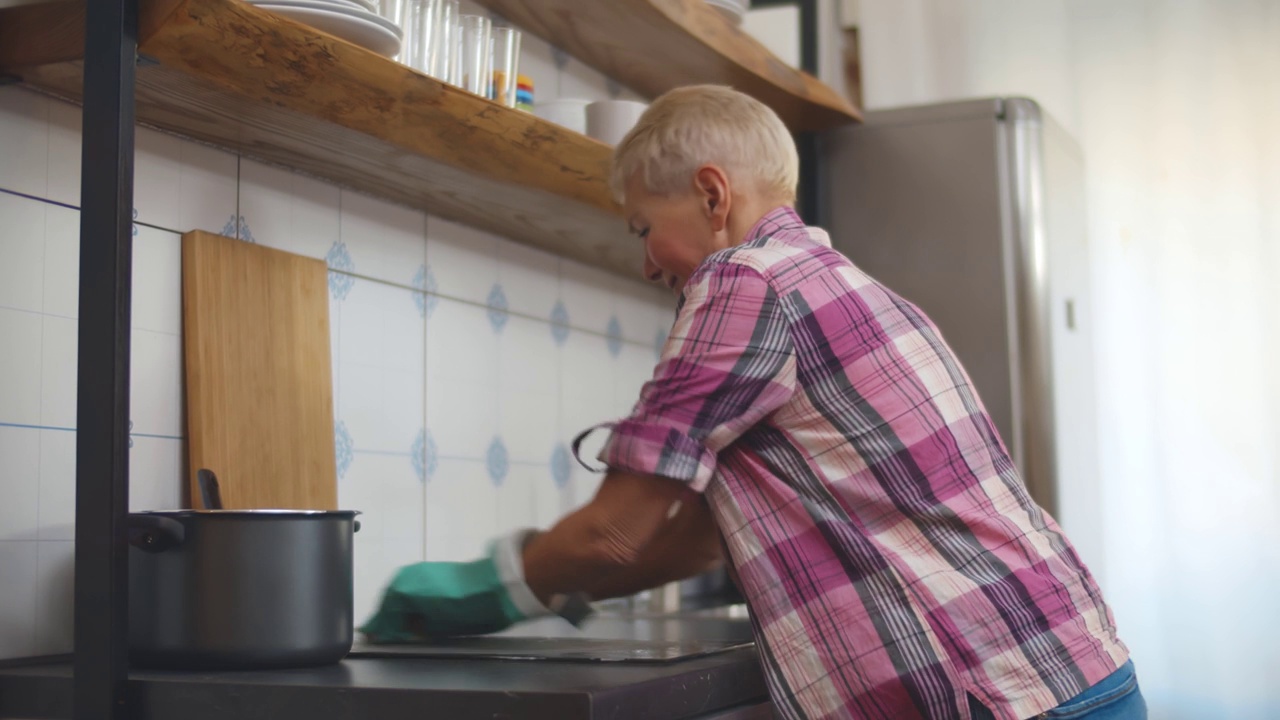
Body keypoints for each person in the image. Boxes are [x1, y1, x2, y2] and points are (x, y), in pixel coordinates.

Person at [360, 85, 1146, 720]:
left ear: (710, 193)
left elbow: (614, 530)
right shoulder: (844, 283)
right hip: (1073, 669)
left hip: (992, 692)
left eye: (643, 228)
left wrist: (485, 587)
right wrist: (559, 589)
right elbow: (701, 543)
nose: (644, 264)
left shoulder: (744, 281)